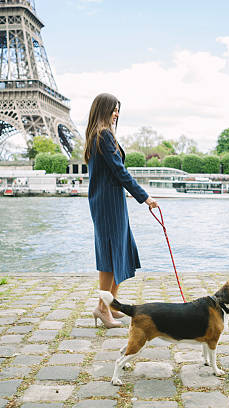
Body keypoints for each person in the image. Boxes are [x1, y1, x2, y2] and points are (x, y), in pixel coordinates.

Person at [85, 93, 158, 328]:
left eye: (118, 110)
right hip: (108, 203)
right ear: (103, 110)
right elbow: (120, 171)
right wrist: (144, 197)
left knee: (118, 252)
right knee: (110, 256)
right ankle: (102, 307)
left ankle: (108, 304)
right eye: (113, 109)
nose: (116, 114)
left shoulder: (99, 135)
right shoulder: (103, 135)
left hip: (110, 201)